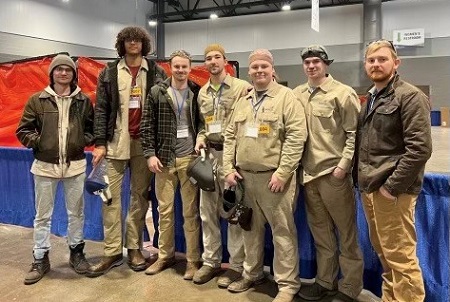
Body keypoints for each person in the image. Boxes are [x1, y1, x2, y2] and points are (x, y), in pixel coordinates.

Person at [223, 49, 307, 302]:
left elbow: (296, 137)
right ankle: (252, 274)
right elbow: (229, 136)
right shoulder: (243, 100)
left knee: (282, 233)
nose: (259, 70)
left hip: (274, 180)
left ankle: (287, 285)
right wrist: (228, 168)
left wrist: (283, 173)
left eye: (264, 66)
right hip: (244, 179)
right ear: (249, 71)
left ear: (272, 70)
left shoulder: (286, 98)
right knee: (250, 229)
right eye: (255, 67)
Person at [356, 39, 432, 302]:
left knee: (400, 257)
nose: (376, 64)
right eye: (371, 60)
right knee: (385, 255)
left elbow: (420, 149)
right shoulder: (371, 98)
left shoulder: (410, 96)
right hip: (370, 189)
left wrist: (391, 188)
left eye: (382, 59)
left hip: (392, 193)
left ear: (395, 63)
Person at [87, 26, 166, 277]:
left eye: (138, 40)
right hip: (114, 143)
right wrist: (100, 143)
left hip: (145, 146)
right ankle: (111, 251)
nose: (134, 43)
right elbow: (101, 110)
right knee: (109, 197)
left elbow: (165, 106)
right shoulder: (109, 72)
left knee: (139, 197)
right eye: (129, 40)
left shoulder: (156, 71)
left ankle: (133, 247)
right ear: (122, 44)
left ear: (144, 44)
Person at [293, 45, 363, 302]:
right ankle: (325, 282)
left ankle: (350, 288)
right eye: (307, 62)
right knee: (321, 233)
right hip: (308, 175)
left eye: (316, 62)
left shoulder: (343, 93)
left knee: (346, 234)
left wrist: (343, 167)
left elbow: (354, 134)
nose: (311, 66)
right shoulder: (297, 94)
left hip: (333, 176)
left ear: (325, 64)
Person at [16, 54, 94, 284]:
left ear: (73, 74)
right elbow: (23, 130)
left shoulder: (83, 100)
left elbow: (92, 128)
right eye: (58, 69)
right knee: (42, 216)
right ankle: (40, 258)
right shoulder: (37, 100)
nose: (63, 73)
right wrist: (41, 142)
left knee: (77, 214)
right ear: (52, 73)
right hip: (44, 167)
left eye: (67, 70)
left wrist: (81, 140)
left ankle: (77, 253)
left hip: (75, 166)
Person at [193, 44, 251, 287]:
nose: (213, 61)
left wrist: (233, 163)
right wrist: (200, 138)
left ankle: (236, 266)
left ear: (225, 61)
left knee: (232, 214)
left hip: (232, 160)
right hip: (209, 159)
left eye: (217, 57)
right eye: (208, 58)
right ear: (205, 64)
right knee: (207, 214)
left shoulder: (241, 88)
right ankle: (211, 262)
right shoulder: (202, 92)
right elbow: (204, 125)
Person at [140, 50, 202, 280]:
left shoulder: (197, 91)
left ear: (190, 67)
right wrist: (149, 154)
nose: (180, 70)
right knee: (164, 212)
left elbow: (203, 123)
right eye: (176, 66)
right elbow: (147, 127)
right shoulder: (157, 92)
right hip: (164, 161)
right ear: (170, 67)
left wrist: (202, 138)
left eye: (184, 66)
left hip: (189, 161)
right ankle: (165, 256)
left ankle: (193, 260)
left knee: (190, 213)